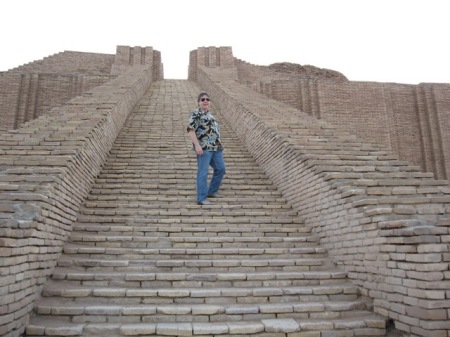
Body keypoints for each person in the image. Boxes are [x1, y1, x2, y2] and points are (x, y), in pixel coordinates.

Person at [187, 92, 226, 205]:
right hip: (204, 148)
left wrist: (220, 146)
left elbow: (215, 132)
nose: (205, 101)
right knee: (203, 172)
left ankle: (212, 191)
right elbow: (190, 130)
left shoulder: (211, 116)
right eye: (202, 99)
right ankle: (201, 198)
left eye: (207, 99)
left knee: (221, 169)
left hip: (216, 148)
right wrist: (197, 145)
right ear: (199, 102)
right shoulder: (196, 113)